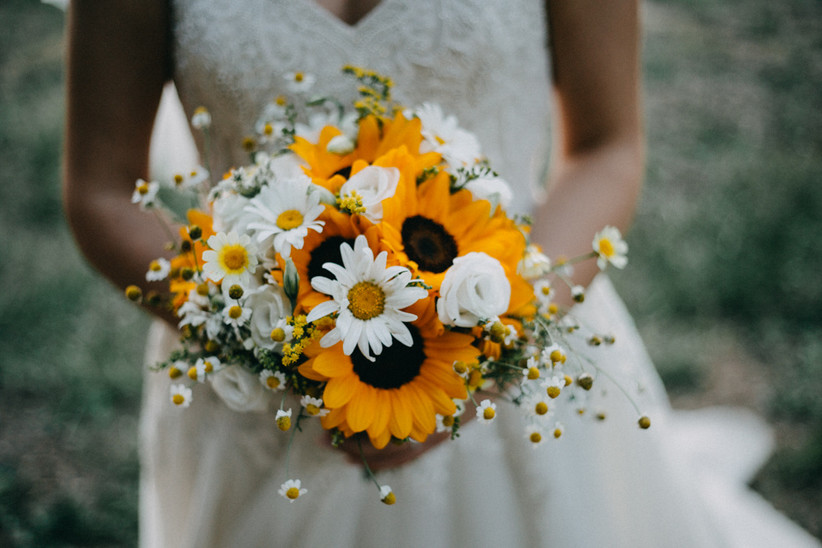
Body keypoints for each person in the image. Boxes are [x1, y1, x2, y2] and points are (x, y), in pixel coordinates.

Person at [63, 1, 821, 547]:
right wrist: (264, 341)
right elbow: (100, 189)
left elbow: (606, 147)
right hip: (258, 390)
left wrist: (478, 352)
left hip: (519, 350)